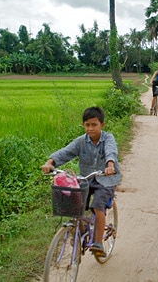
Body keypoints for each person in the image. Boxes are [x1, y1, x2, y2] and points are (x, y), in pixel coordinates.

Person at [42, 106, 121, 257]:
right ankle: (82, 232)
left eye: (94, 125)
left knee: (98, 206)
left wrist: (110, 165)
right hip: (87, 179)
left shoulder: (108, 138)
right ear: (83, 125)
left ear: (102, 125)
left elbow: (111, 151)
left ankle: (98, 243)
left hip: (106, 179)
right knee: (73, 205)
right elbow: (66, 152)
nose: (90, 128)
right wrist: (50, 162)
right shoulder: (81, 142)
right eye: (87, 125)